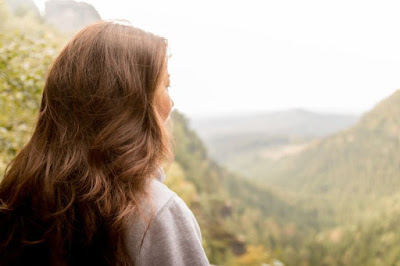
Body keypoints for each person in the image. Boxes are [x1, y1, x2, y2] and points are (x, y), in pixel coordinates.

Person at [0, 21, 209, 266]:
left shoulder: (15, 196)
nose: (170, 103)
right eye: (165, 86)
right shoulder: (156, 215)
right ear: (132, 105)